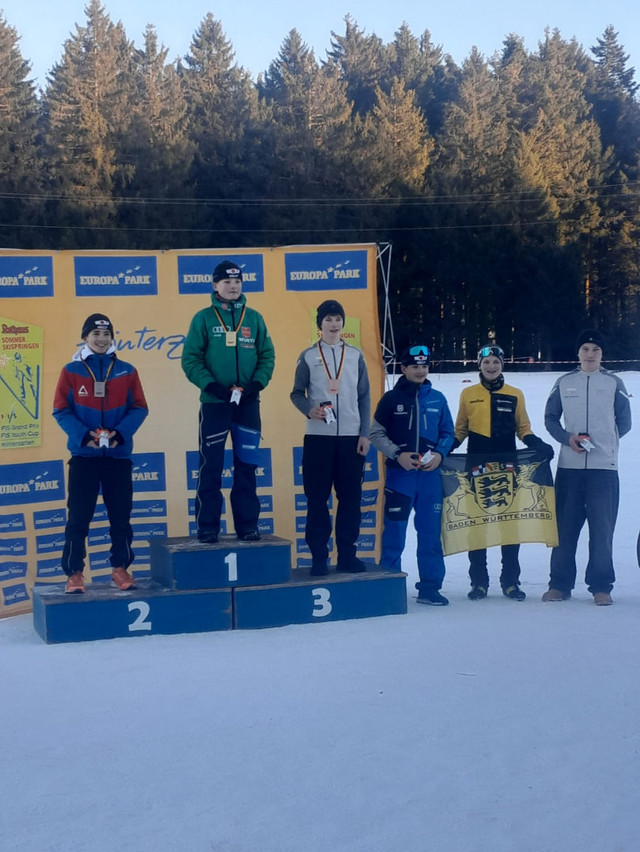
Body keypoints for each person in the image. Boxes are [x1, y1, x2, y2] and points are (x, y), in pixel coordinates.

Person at [53, 313, 148, 594]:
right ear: (85, 338)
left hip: (118, 457)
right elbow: (61, 409)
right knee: (79, 518)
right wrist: (84, 436)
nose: (102, 339)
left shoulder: (126, 370)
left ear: (112, 338)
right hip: (84, 457)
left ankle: (120, 569)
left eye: (106, 335)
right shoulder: (71, 370)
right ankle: (74, 573)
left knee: (121, 516)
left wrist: (119, 434)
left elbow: (140, 407)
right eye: (95, 334)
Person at [182, 260, 275, 543]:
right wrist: (212, 387)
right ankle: (208, 526)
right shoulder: (203, 319)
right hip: (214, 403)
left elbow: (267, 356)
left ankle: (248, 525)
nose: (233, 287)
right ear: (215, 286)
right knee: (211, 466)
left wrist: (255, 385)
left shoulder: (255, 318)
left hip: (248, 404)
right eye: (226, 282)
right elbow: (190, 359)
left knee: (246, 465)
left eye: (237, 282)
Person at [452, 344, 553, 601]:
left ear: (502, 365)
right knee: (478, 525)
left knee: (510, 525)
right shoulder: (468, 393)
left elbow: (523, 428)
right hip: (476, 466)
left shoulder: (514, 393)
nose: (491, 367)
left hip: (508, 466)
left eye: (496, 362)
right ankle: (479, 582)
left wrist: (537, 444)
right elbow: (460, 431)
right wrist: (443, 450)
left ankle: (510, 581)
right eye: (487, 363)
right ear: (479, 365)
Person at [543, 329, 631, 605]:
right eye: (585, 349)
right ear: (578, 353)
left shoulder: (614, 383)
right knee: (564, 529)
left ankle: (601, 586)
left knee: (602, 531)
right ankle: (559, 584)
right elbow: (550, 418)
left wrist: (605, 442)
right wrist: (568, 440)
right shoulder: (565, 381)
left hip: (603, 469)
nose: (590, 354)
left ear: (602, 354)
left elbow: (624, 423)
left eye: (595, 349)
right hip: (569, 468)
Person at [290, 299, 371, 575]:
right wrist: (308, 409)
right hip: (318, 438)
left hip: (350, 439)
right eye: (328, 320)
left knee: (350, 499)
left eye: (338, 319)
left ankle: (347, 555)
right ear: (319, 325)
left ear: (343, 323)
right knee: (316, 499)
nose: (334, 324)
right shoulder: (309, 356)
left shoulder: (356, 356)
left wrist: (364, 434)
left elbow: (364, 397)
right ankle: (319, 558)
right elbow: (296, 392)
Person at [370, 344, 454, 605]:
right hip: (400, 476)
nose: (420, 370)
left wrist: (439, 455)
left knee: (430, 534)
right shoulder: (390, 399)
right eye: (414, 366)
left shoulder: (438, 398)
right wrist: (397, 454)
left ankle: (430, 587)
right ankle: (389, 586)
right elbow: (375, 433)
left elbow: (448, 433)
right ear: (403, 368)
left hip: (430, 479)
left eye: (424, 366)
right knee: (394, 534)